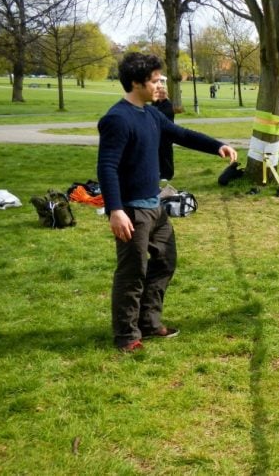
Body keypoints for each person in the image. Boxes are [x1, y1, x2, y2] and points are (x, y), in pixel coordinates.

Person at [97, 52, 238, 352]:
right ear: (136, 83)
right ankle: (126, 335)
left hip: (156, 206)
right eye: (155, 80)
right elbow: (106, 166)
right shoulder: (116, 119)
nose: (160, 85)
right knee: (132, 272)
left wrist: (217, 146)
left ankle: (148, 322)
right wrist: (115, 210)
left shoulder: (151, 114)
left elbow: (181, 134)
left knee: (165, 262)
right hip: (132, 210)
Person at [152, 83, 176, 180]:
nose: (161, 95)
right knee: (158, 154)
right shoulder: (155, 103)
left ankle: (168, 174)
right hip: (157, 133)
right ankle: (160, 172)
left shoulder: (168, 105)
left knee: (166, 154)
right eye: (159, 93)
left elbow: (163, 116)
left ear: (166, 95)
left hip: (166, 134)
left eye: (163, 94)